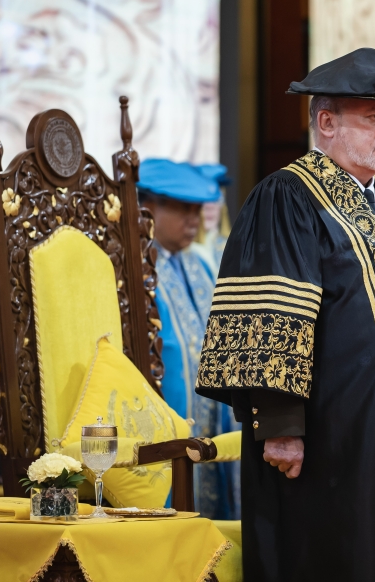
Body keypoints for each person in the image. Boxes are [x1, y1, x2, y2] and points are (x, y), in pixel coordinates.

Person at [195, 48, 375, 581]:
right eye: (371, 119)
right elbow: (270, 320)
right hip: (326, 436)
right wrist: (280, 425)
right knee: (342, 555)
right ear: (327, 122)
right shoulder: (288, 197)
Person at [136, 159, 238, 520]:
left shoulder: (200, 263)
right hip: (168, 418)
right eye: (183, 209)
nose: (193, 219)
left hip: (213, 417)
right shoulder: (136, 267)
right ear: (148, 207)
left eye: (197, 209)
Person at [192, 163, 232, 271]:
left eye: (216, 200)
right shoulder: (180, 252)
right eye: (204, 201)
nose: (210, 207)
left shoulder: (232, 249)